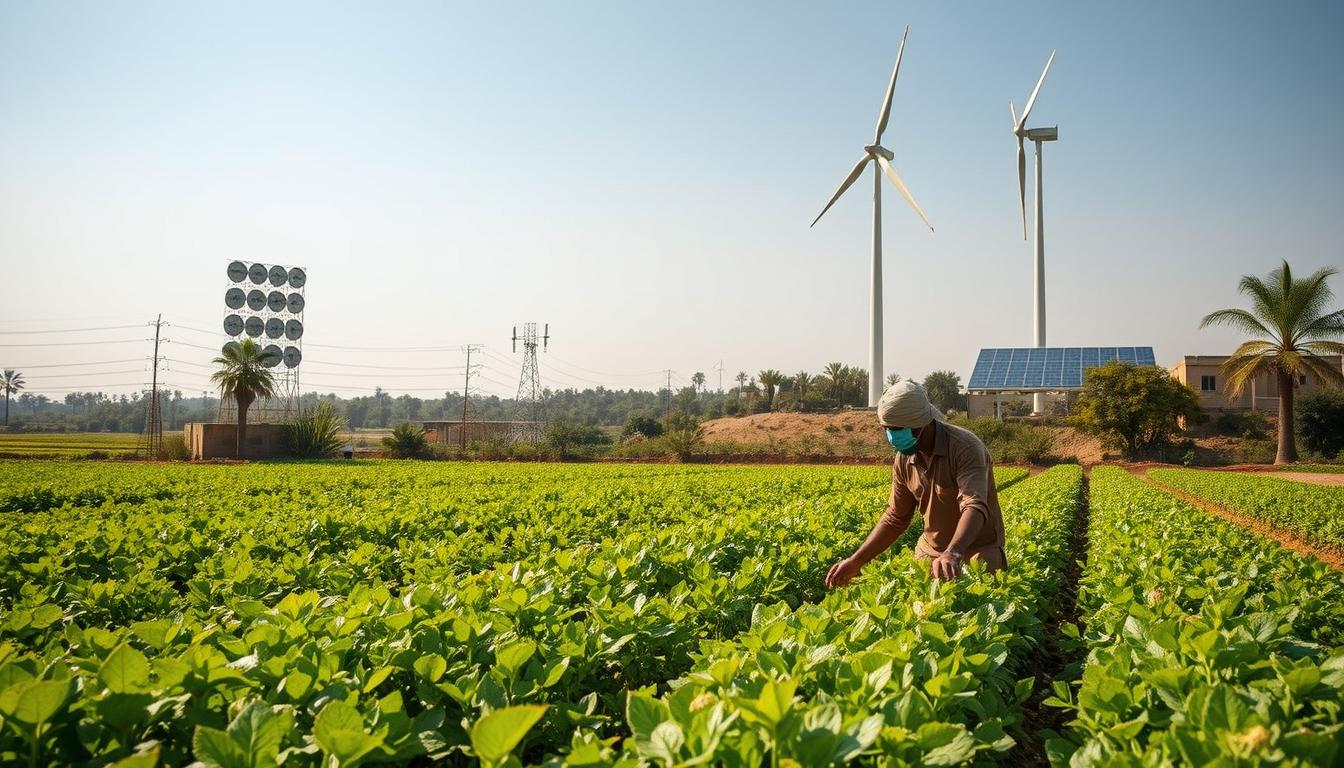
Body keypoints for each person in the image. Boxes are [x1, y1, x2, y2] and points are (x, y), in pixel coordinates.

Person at [825, 380, 1006, 587]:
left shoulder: (965, 447)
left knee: (980, 599)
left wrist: (953, 552)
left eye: (896, 429)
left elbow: (973, 505)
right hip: (930, 551)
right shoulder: (904, 458)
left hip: (975, 549)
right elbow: (895, 517)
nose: (891, 437)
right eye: (887, 429)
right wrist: (856, 560)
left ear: (920, 424)